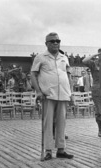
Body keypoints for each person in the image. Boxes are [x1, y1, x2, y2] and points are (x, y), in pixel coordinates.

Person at [31, 32, 74, 161]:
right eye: (52, 41)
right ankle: (48, 150)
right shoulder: (40, 57)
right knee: (48, 123)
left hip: (63, 94)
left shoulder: (64, 57)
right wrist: (38, 91)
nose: (56, 43)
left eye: (57, 41)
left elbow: (68, 75)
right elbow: (33, 75)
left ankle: (61, 149)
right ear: (46, 44)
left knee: (62, 122)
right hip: (48, 95)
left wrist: (70, 92)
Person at [82, 48, 101, 137]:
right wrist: (94, 55)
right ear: (98, 55)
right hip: (97, 89)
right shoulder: (94, 64)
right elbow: (84, 61)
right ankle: (100, 130)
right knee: (99, 111)